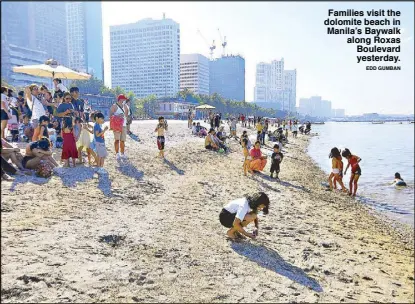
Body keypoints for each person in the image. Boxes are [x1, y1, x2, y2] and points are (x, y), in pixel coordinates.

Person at [110, 94, 129, 160]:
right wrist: (118, 116)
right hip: (117, 125)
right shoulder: (114, 106)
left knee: (123, 140)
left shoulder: (126, 106)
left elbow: (126, 115)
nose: (125, 100)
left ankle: (122, 153)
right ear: (121, 99)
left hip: (123, 125)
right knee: (117, 140)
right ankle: (117, 154)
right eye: (124, 99)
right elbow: (111, 116)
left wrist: (126, 109)